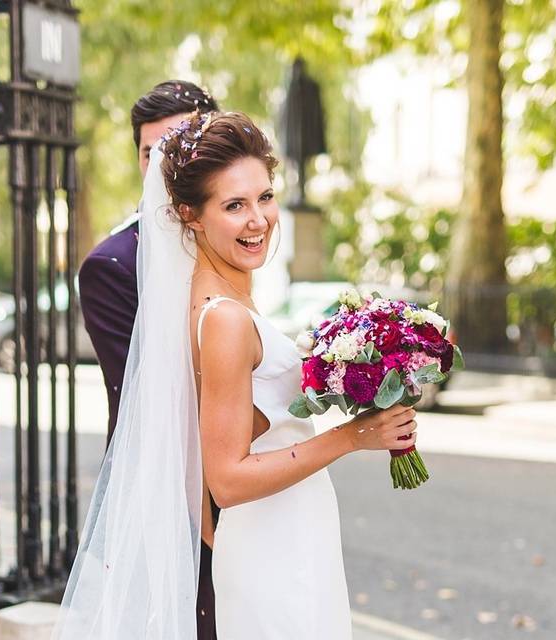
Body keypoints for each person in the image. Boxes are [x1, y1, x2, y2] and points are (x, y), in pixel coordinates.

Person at [55, 112, 418, 639]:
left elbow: (237, 432)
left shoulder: (221, 300)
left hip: (286, 532)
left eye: (264, 197)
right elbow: (224, 480)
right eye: (234, 206)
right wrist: (353, 436)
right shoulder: (223, 317)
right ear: (190, 216)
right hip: (273, 546)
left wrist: (340, 377)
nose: (259, 220)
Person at [75, 80, 219, 639]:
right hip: (169, 497)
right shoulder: (113, 264)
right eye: (150, 152)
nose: (163, 164)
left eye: (179, 147)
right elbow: (158, 405)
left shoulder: (241, 238)